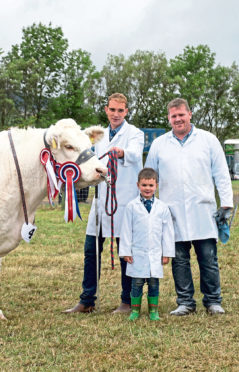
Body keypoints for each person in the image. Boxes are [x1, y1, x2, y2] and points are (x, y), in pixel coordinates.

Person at [145, 98, 233, 316]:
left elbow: (221, 173)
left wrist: (227, 202)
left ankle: (213, 301)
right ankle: (185, 302)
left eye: (181, 115)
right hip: (172, 212)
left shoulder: (208, 140)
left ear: (190, 114)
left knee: (208, 258)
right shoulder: (159, 144)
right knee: (179, 260)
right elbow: (149, 176)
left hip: (202, 209)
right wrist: (149, 205)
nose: (178, 119)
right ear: (169, 118)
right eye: (173, 116)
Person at [63, 93, 144, 314]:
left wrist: (122, 152)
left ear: (126, 112)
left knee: (125, 251)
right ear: (106, 110)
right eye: (112, 110)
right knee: (91, 251)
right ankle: (87, 299)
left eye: (120, 110)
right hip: (101, 202)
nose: (116, 114)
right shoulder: (98, 136)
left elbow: (135, 155)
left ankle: (127, 301)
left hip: (125, 202)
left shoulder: (134, 133)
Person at [119, 168, 175, 321]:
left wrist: (167, 253)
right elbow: (126, 230)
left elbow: (167, 232)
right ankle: (135, 311)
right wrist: (126, 251)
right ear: (138, 185)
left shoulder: (162, 207)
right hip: (137, 253)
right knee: (136, 283)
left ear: (156, 185)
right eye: (144, 185)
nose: (147, 189)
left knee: (153, 283)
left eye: (151, 185)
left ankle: (153, 311)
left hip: (155, 253)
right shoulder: (132, 206)